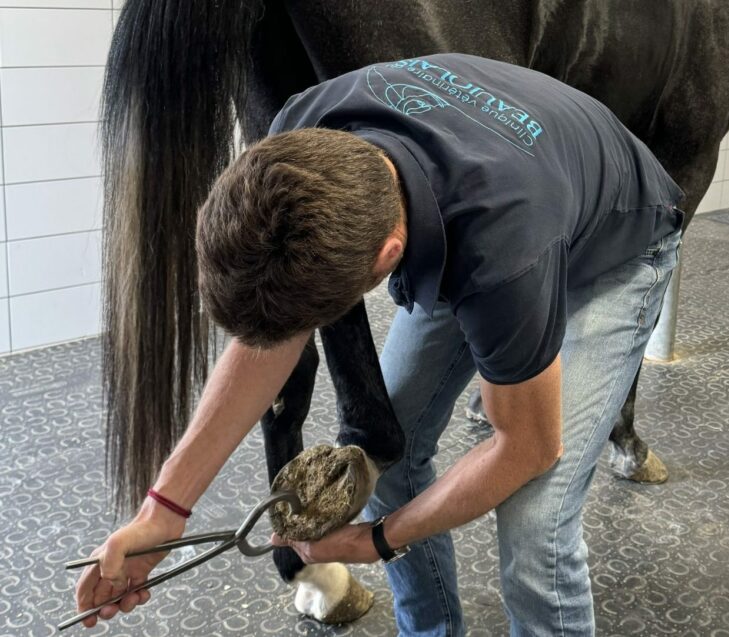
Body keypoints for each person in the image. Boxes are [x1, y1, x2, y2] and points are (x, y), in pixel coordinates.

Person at [75, 53, 684, 635]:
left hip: (616, 249)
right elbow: (266, 345)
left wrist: (377, 541)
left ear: (390, 258)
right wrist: (162, 512)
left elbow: (525, 446)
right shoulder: (298, 135)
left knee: (536, 526)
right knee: (383, 448)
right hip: (505, 197)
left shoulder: (502, 251)